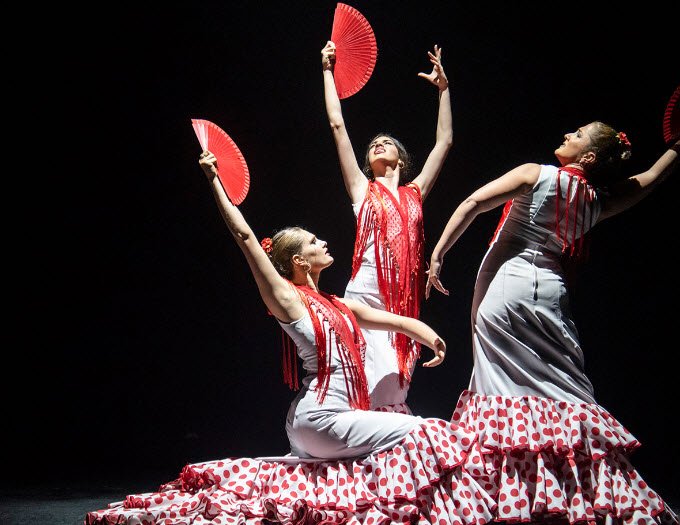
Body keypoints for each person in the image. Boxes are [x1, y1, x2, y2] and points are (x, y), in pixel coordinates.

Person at [85, 151, 494, 525]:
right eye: (315, 243)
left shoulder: (339, 303)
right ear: (299, 261)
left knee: (397, 439)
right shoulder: (288, 299)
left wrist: (431, 337)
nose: (325, 243)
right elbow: (245, 238)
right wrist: (214, 181)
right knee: (423, 431)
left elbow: (395, 322)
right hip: (320, 419)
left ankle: (393, 511)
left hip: (322, 421)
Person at [426, 120, 680, 524]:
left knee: (501, 387)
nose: (566, 135)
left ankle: (510, 495)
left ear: (589, 156)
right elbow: (651, 178)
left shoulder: (535, 173)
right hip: (550, 290)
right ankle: (578, 493)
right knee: (561, 387)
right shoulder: (599, 200)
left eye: (577, 135)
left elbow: (475, 202)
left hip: (508, 285)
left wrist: (439, 253)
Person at [321, 40, 452, 414]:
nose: (378, 145)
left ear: (401, 158)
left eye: (386, 143)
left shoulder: (415, 193)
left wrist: (443, 90)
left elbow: (444, 142)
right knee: (364, 386)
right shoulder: (362, 190)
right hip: (364, 294)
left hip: (404, 301)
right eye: (373, 145)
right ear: (367, 162)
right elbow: (336, 125)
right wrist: (328, 71)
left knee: (394, 389)